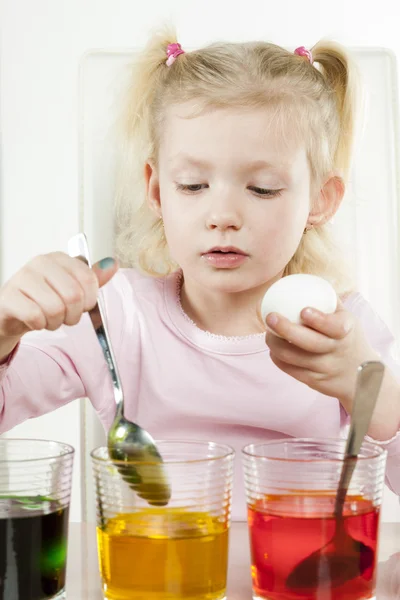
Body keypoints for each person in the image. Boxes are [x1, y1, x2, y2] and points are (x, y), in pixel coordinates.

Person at [1, 29, 399, 519]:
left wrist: (372, 394)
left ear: (321, 200)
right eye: (193, 185)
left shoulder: (343, 330)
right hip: (156, 582)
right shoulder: (116, 316)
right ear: (156, 190)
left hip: (303, 585)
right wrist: (4, 327)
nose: (223, 215)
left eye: (263, 188)